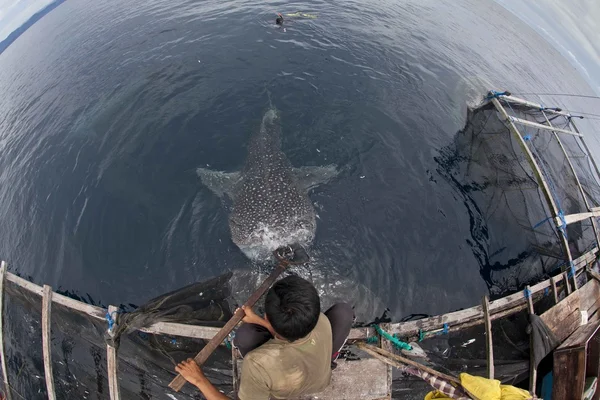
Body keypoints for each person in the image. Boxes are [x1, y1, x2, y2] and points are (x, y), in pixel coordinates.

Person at [175, 275, 354, 399]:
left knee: (245, 336)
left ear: (268, 316)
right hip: (320, 376)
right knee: (343, 312)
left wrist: (199, 380)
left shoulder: (258, 364)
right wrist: (259, 320)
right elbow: (293, 336)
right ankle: (330, 358)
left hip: (286, 390)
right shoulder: (320, 321)